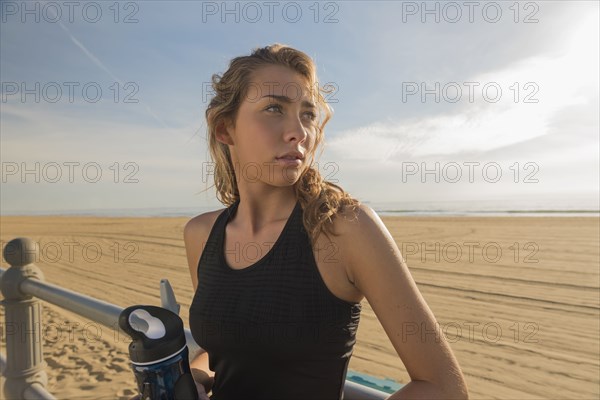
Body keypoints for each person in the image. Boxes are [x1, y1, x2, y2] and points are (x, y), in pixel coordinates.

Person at [183, 43, 469, 400]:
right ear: (225, 129)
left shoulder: (344, 228)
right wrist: (195, 375)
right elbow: (225, 346)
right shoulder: (201, 234)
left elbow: (443, 387)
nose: (299, 132)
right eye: (274, 108)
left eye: (307, 114)